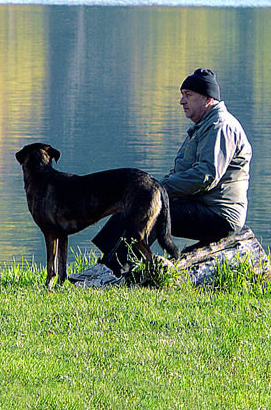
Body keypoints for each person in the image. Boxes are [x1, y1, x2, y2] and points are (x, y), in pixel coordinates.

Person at [92, 68, 251, 274]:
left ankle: (115, 270)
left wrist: (161, 189)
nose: (182, 101)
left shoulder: (220, 127)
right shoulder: (205, 125)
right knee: (137, 205)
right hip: (202, 205)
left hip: (220, 215)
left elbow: (206, 176)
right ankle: (110, 264)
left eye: (188, 95)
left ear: (207, 99)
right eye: (182, 95)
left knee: (147, 211)